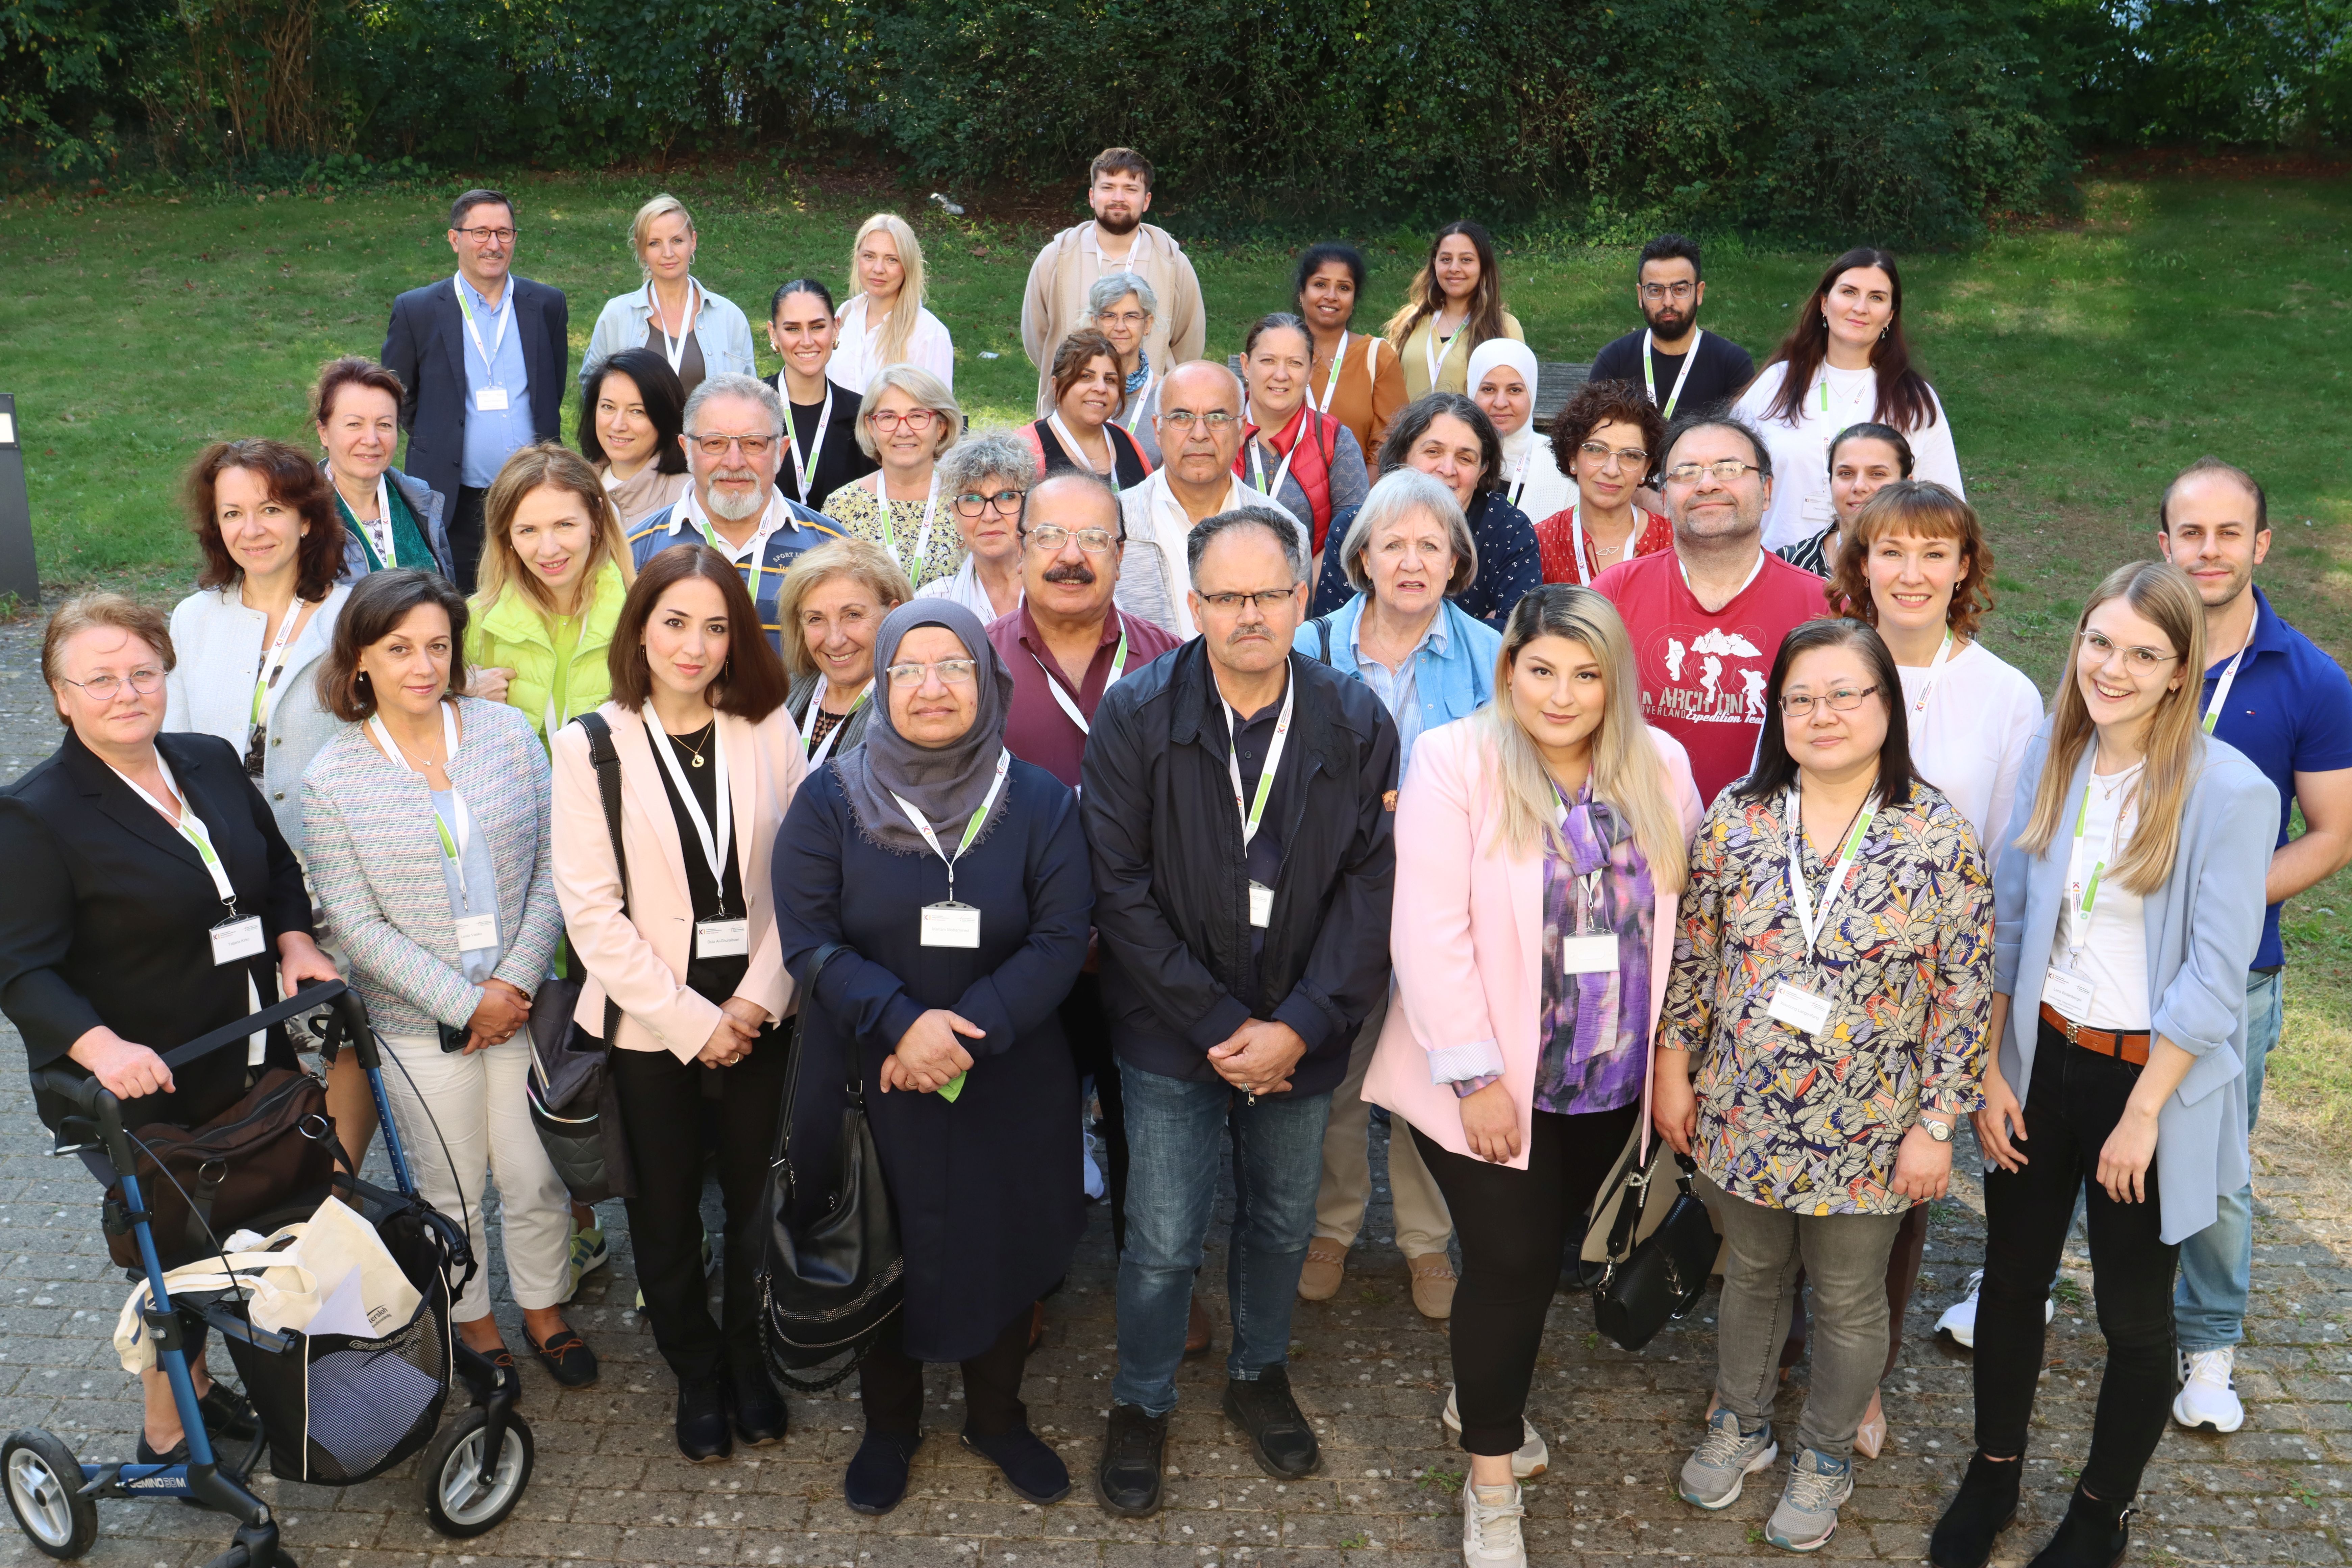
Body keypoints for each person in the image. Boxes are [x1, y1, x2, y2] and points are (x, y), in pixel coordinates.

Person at [1929, 562, 2276, 1568]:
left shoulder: (2229, 791)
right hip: (2041, 1062)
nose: (2111, 667)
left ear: (2180, 670)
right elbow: (2006, 920)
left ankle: (2099, 1509)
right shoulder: (2056, 747)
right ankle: (1993, 1471)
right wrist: (1994, 1067)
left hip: (2147, 1086)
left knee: (2132, 1311)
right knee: (2011, 1276)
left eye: (2142, 653)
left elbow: (2215, 978)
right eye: (2098, 642)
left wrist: (2144, 1115)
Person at [1364, 584, 1701, 1564]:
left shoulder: (1661, 764)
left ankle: (1481, 1388)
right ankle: (1493, 1477)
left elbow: (1692, 923)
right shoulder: (1453, 760)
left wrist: (1673, 1065)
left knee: (1549, 1253)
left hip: (1611, 1078)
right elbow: (1428, 932)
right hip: (1488, 1076)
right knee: (1508, 1263)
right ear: (1508, 670)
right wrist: (1475, 1076)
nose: (1561, 696)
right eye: (1540, 671)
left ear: (1616, 682)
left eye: (1587, 675)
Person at [1082, 507, 1399, 1516]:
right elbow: (1118, 886)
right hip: (1172, 1030)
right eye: (1226, 595)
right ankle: (1141, 1399)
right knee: (1164, 1233)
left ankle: (1261, 1374)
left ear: (1306, 599)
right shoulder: (1136, 714)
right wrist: (1220, 1023)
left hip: (1302, 1033)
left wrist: (1299, 1024)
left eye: (1270, 593)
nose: (1250, 613)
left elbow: (1369, 889)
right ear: (1192, 604)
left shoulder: (1355, 721)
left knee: (1277, 1220)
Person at [1660, 617, 1990, 1553]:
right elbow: (1696, 960)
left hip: (1873, 1129)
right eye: (1800, 698)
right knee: (1754, 1276)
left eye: (1847, 693)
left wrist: (1938, 1123)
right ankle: (1741, 1424)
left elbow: (1964, 994)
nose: (1823, 714)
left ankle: (1826, 1454)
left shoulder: (1936, 835)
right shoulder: (1737, 817)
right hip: (1744, 1112)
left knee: (1847, 1299)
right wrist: (1674, 1068)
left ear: (1888, 705)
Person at [773, 600, 1094, 1512]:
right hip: (869, 1076)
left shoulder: (1038, 802)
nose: (931, 688)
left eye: (952, 666)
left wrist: (959, 1036)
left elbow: (1063, 940)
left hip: (1008, 1073)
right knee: (883, 1241)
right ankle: (889, 1428)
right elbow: (810, 940)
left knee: (1005, 1240)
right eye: (908, 669)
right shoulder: (829, 800)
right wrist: (903, 1024)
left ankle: (997, 1419)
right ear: (880, 685)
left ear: (988, 684)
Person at [3, 593, 337, 1464]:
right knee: (181, 1243)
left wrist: (296, 938)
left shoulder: (209, 760)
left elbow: (274, 871)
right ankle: (164, 1428)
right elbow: (20, 967)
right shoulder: (36, 814)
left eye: (143, 671)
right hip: (135, 1078)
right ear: (60, 694)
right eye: (101, 677)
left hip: (246, 1046)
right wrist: (101, 1046)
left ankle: (187, 1397)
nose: (127, 691)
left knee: (237, 1227)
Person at [1788, 479, 2040, 1457]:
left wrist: (1982, 1025)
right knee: (1799, 1162)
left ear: (1964, 567)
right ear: (1860, 562)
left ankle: (1863, 1378)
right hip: (1807, 966)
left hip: (1923, 983)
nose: (1911, 573)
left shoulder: (2006, 695)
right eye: (1890, 551)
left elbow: (2012, 861)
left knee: (1894, 1193)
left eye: (1935, 553)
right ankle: (1791, 1346)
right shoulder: (1828, 661)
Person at [550, 544, 807, 1460]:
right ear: (641, 629)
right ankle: (695, 1371)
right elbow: (591, 915)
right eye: (674, 623)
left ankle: (749, 1361)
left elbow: (803, 881)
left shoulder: (772, 727)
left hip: (760, 1007)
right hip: (651, 1017)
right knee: (661, 1214)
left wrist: (756, 1002)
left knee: (753, 1205)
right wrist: (697, 1026)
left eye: (715, 626)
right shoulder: (589, 745)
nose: (694, 646)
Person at [303, 569, 589, 1387]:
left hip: (521, 1002)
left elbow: (552, 867)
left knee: (534, 1174)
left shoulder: (506, 734)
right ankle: (474, 1322)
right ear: (360, 660)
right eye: (399, 649)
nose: (422, 665)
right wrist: (467, 1002)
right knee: (449, 1187)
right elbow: (354, 923)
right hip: (417, 1020)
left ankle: (545, 1306)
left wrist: (512, 985)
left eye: (437, 645)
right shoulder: (334, 777)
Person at [2154, 458, 2352, 1433]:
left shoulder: (2312, 679)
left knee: (2216, 1161)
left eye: (2229, 533)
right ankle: (2009, 1282)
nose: (2210, 551)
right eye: (2192, 534)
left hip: (2235, 968)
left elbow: (2331, 836)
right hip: (2110, 955)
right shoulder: (2128, 651)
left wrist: (2216, 904)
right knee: (2070, 1131)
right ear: (2164, 546)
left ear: (2262, 545)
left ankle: (2209, 1344)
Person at [1296, 469, 1502, 1322]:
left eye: (1431, 545)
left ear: (1457, 561)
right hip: (1332, 907)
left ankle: (1426, 1241)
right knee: (1335, 1076)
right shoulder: (1309, 647)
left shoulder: (1496, 655)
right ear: (1362, 559)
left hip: (1448, 908)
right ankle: (1332, 1225)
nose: (1411, 561)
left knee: (1432, 1073)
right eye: (1393, 544)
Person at [986, 472, 1182, 1250]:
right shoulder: (976, 663)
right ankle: (1030, 1272)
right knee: (1027, 1116)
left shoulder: (1169, 661)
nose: (1071, 556)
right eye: (1051, 537)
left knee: (1153, 1118)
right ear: (1022, 545)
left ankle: (1156, 1270)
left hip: (1145, 945)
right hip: (1022, 943)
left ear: (1121, 552)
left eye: (1093, 538)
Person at [161, 440, 368, 1165]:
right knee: (252, 1030)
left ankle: (339, 1189)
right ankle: (271, 1178)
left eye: (271, 509)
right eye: (233, 513)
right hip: (230, 872)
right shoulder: (192, 619)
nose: (252, 529)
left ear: (309, 518)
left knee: (343, 1030)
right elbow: (173, 750)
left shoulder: (356, 615)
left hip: (333, 868)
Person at [1592, 414, 1830, 806]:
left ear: (1767, 490)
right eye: (1686, 473)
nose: (1707, 483)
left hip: (1773, 847)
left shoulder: (1822, 607)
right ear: (1665, 500)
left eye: (1730, 468)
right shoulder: (1612, 596)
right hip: (1637, 837)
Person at [383, 187, 568, 593]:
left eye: (504, 233)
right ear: (455, 239)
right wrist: (441, 433)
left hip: (534, 491)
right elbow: (397, 399)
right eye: (480, 232)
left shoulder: (547, 304)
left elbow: (553, 389)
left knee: (537, 595)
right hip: (453, 497)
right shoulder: (419, 310)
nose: (493, 244)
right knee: (456, 604)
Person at [1734, 247, 1964, 554]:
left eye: (1877, 298)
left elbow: (1945, 507)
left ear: (1890, 316)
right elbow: (1729, 472)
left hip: (1877, 577)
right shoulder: (1776, 385)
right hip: (1777, 568)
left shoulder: (1914, 401)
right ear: (1825, 304)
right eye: (1849, 292)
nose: (1860, 307)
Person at [629, 374, 844, 652]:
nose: (734, 462)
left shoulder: (830, 547)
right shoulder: (636, 551)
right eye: (715, 443)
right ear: (687, 450)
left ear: (781, 452)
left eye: (753, 443)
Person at [1308, 394, 1539, 632]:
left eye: (1465, 458)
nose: (1447, 469)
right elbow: (1332, 632)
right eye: (1433, 452)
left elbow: (1521, 636)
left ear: (1483, 470)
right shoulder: (1354, 527)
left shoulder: (1509, 530)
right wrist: (1483, 629)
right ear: (1403, 456)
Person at [466, 442, 638, 744]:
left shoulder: (643, 615)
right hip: (516, 790)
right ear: (507, 536)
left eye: (564, 525)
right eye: (528, 531)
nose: (548, 550)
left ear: (595, 521)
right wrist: (462, 697)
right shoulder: (475, 620)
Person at [1116, 360, 1301, 639]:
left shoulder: (1286, 530)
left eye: (1217, 418)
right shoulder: (1113, 525)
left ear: (1241, 430)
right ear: (1157, 429)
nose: (1199, 434)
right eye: (1181, 418)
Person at [1023, 148, 1205, 417]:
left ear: (1146, 200)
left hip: (1147, 415)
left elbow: (1188, 345)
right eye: (1108, 187)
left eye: (1130, 189)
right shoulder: (1056, 258)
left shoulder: (1173, 263)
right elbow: (1037, 338)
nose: (1118, 198)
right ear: (1092, 196)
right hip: (1070, 414)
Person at [580, 193, 757, 404]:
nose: (668, 253)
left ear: (693, 242)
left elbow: (750, 397)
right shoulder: (617, 316)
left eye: (677, 240)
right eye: (655, 243)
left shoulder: (730, 317)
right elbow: (592, 391)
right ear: (642, 249)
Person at [1232, 313, 1370, 556]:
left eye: (1295, 363)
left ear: (1310, 370)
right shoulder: (1218, 431)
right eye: (1268, 361)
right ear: (1245, 364)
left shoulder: (1336, 440)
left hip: (1308, 589)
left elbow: (1351, 536)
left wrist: (1300, 591)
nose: (1281, 375)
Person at [821, 365, 967, 593]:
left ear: (941, 427)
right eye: (889, 417)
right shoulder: (842, 507)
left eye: (917, 416)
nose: (903, 431)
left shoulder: (969, 501)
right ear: (871, 427)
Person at [312, 355, 456, 581]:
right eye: (354, 424)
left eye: (384, 425)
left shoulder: (420, 500)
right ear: (324, 432)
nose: (371, 440)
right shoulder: (302, 513)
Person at [1587, 234, 1757, 421]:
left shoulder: (1733, 365)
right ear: (1640, 295)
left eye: (1680, 290)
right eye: (1655, 291)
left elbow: (1742, 442)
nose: (1668, 302)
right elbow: (1594, 434)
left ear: (1699, 293)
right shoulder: (1614, 361)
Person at [777, 538, 914, 765]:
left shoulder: (913, 708)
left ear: (893, 615)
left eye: (852, 615)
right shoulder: (779, 695)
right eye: (816, 619)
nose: (835, 640)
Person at [1530, 379, 1672, 587]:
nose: (1612, 470)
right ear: (1572, 457)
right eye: (1596, 450)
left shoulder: (1673, 543)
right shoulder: (1540, 543)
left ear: (1646, 468)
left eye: (1630, 455)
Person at [764, 277, 879, 509]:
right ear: (773, 333)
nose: (807, 341)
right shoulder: (747, 409)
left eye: (817, 327)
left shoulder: (865, 416)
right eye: (792, 329)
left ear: (836, 328)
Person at [1385, 222, 1524, 400]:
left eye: (1466, 260)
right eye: (1446, 259)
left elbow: (1515, 402)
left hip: (1472, 429)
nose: (1454, 268)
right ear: (1434, 264)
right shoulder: (1409, 320)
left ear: (1483, 267)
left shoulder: (1505, 328)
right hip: (1412, 429)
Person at [1296, 241, 1408, 456]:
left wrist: (1356, 489)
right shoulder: (1279, 351)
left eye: (1344, 288)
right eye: (1320, 285)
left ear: (1354, 299)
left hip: (1361, 486)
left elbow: (1389, 442)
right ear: (1302, 294)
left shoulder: (1376, 357)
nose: (1331, 296)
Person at [916, 432, 1038, 622]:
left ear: (1029, 507)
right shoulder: (930, 607)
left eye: (1006, 497)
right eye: (972, 499)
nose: (990, 516)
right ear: (956, 515)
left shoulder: (1059, 592)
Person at [830, 214, 955, 395]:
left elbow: (937, 415)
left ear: (908, 266)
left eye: (892, 260)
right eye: (869, 256)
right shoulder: (846, 314)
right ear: (857, 258)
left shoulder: (929, 334)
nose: (878, 269)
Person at [1019, 327, 1155, 489]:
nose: (1101, 388)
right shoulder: (1026, 450)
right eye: (1086, 377)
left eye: (1110, 380)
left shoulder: (1128, 443)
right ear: (1056, 386)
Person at [1775, 422, 1910, 578]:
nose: (1859, 486)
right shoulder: (1788, 564)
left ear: (1908, 483)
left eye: (1877, 474)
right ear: (1831, 481)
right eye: (1846, 473)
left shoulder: (1932, 564)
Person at [579, 347, 692, 529]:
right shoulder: (572, 486)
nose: (618, 425)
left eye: (637, 411)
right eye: (608, 407)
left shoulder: (688, 497)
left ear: (665, 419)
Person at [1470, 340, 1569, 522]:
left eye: (1515, 390)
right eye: (1488, 389)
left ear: (1532, 392)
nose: (1500, 403)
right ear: (1471, 391)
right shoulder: (1448, 462)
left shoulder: (1562, 466)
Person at [1088, 271, 1162, 432]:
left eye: (1131, 317)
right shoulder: (1077, 391)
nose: (1120, 328)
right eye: (1110, 316)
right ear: (1095, 323)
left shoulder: (1166, 394)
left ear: (1148, 325)